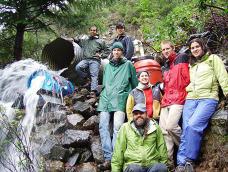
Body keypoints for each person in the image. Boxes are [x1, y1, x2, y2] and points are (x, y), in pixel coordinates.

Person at [175, 38, 228, 172]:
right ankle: (180, 163)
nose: (195, 49)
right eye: (192, 48)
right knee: (186, 127)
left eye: (197, 46)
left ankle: (189, 160)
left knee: (193, 125)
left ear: (203, 46)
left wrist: (227, 94)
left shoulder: (213, 59)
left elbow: (223, 77)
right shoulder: (191, 65)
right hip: (191, 98)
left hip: (208, 98)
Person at [97, 42, 138, 170]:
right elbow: (104, 82)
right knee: (103, 126)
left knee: (117, 127)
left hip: (120, 99)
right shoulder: (107, 66)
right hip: (105, 100)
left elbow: (135, 84)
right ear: (112, 52)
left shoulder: (128, 65)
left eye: (118, 50)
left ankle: (116, 156)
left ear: (122, 52)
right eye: (114, 50)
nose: (116, 52)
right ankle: (108, 157)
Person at [158, 40, 190, 168]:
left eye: (167, 49)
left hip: (179, 97)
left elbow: (187, 79)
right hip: (166, 100)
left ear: (173, 47)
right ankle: (169, 164)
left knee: (171, 127)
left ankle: (186, 150)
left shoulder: (181, 57)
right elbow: (165, 85)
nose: (165, 51)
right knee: (164, 132)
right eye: (163, 50)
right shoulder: (164, 66)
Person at [112, 103, 168, 172]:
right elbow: (118, 152)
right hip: (133, 165)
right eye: (136, 114)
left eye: (141, 113)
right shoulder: (125, 128)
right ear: (133, 116)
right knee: (134, 169)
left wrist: (164, 164)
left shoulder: (155, 127)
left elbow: (162, 148)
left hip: (151, 166)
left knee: (161, 167)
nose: (139, 116)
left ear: (146, 114)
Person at [75, 26, 109, 97]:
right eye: (91, 30)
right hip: (85, 59)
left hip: (95, 60)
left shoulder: (100, 41)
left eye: (94, 30)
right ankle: (86, 79)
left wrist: (101, 55)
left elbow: (108, 50)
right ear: (89, 31)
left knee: (94, 75)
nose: (93, 31)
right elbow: (77, 42)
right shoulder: (85, 41)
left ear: (96, 32)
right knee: (78, 67)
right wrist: (74, 39)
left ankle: (93, 91)